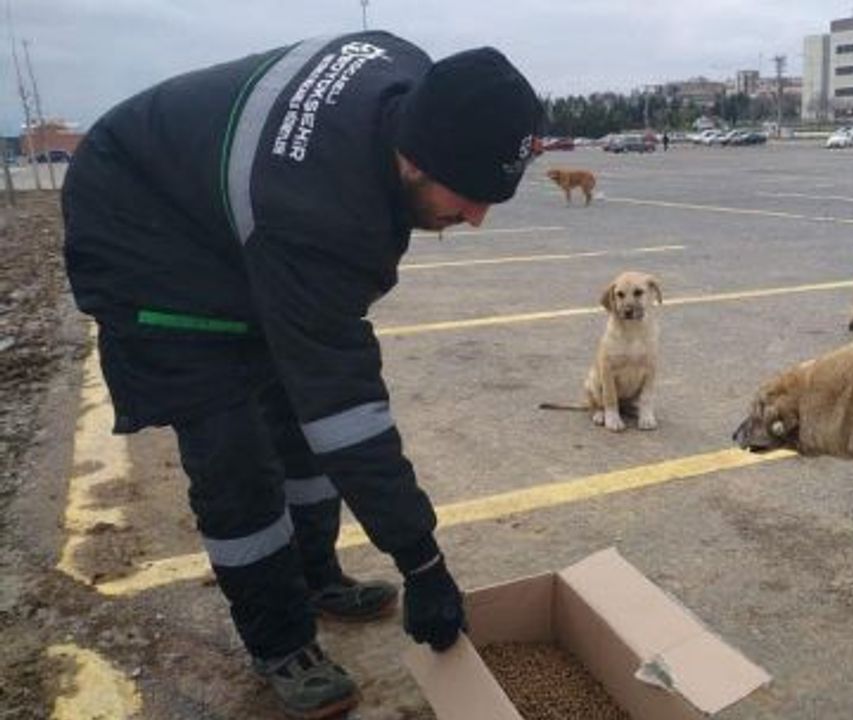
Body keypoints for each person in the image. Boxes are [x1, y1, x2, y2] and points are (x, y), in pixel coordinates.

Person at [62, 32, 545, 718]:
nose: (476, 219)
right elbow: (347, 408)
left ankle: (317, 575)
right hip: (140, 226)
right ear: (411, 159)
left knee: (294, 408)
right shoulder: (321, 212)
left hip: (231, 210)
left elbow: (320, 380)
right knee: (234, 451)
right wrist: (423, 562)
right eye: (466, 196)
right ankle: (281, 641)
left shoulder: (415, 81)